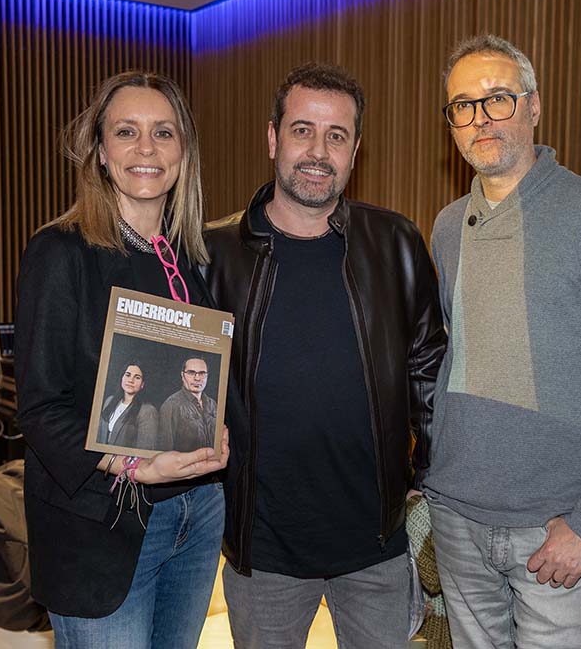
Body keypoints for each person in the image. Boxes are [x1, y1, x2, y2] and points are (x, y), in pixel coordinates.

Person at [422, 35, 581, 649]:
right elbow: (450, 364)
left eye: (498, 98)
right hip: (457, 520)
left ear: (534, 106)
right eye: (463, 106)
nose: (481, 118)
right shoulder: (448, 227)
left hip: (555, 532)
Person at [202, 62, 446, 648]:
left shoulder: (396, 243)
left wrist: (427, 476)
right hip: (265, 554)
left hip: (376, 549)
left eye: (336, 135)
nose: (318, 151)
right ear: (273, 138)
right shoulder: (213, 254)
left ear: (356, 150)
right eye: (302, 130)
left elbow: (429, 372)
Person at [14, 71, 229, 649]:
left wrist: (217, 428)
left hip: (197, 513)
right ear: (101, 153)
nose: (146, 149)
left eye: (164, 132)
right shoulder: (60, 252)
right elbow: (39, 409)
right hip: (99, 525)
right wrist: (132, 465)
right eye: (126, 131)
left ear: (183, 152)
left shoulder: (193, 260)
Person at [159, 356, 218, 452]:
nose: (197, 378)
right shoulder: (171, 405)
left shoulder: (213, 405)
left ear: (207, 376)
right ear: (182, 375)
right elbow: (165, 450)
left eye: (202, 373)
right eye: (191, 373)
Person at [97, 362, 160, 450]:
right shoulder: (109, 401)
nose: (131, 380)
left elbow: (145, 449)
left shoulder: (148, 411)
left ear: (142, 384)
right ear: (122, 378)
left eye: (137, 377)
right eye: (127, 375)